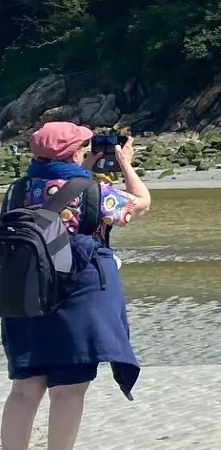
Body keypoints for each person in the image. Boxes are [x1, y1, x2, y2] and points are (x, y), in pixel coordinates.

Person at [1, 123, 150, 450]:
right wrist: (124, 162)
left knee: (25, 389)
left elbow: (58, 193)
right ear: (74, 152)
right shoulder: (94, 193)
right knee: (68, 389)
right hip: (77, 294)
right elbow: (141, 201)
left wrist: (81, 168)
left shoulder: (16, 191)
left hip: (25, 293)